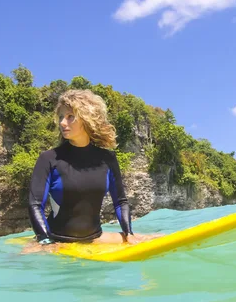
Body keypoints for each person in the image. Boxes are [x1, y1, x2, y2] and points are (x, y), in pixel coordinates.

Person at [23, 89, 160, 254]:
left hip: (94, 238)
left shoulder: (107, 159)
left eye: (70, 117)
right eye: (61, 117)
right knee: (14, 261)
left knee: (157, 237)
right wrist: (45, 240)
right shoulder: (49, 159)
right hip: (56, 240)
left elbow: (120, 202)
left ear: (87, 118)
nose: (62, 123)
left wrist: (129, 234)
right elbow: (35, 204)